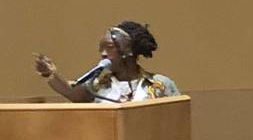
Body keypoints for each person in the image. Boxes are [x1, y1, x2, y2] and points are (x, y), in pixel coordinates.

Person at [33, 21, 180, 102]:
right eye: (101, 49)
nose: (103, 54)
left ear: (128, 51)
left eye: (109, 48)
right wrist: (50, 74)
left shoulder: (161, 85)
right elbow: (73, 93)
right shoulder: (97, 85)